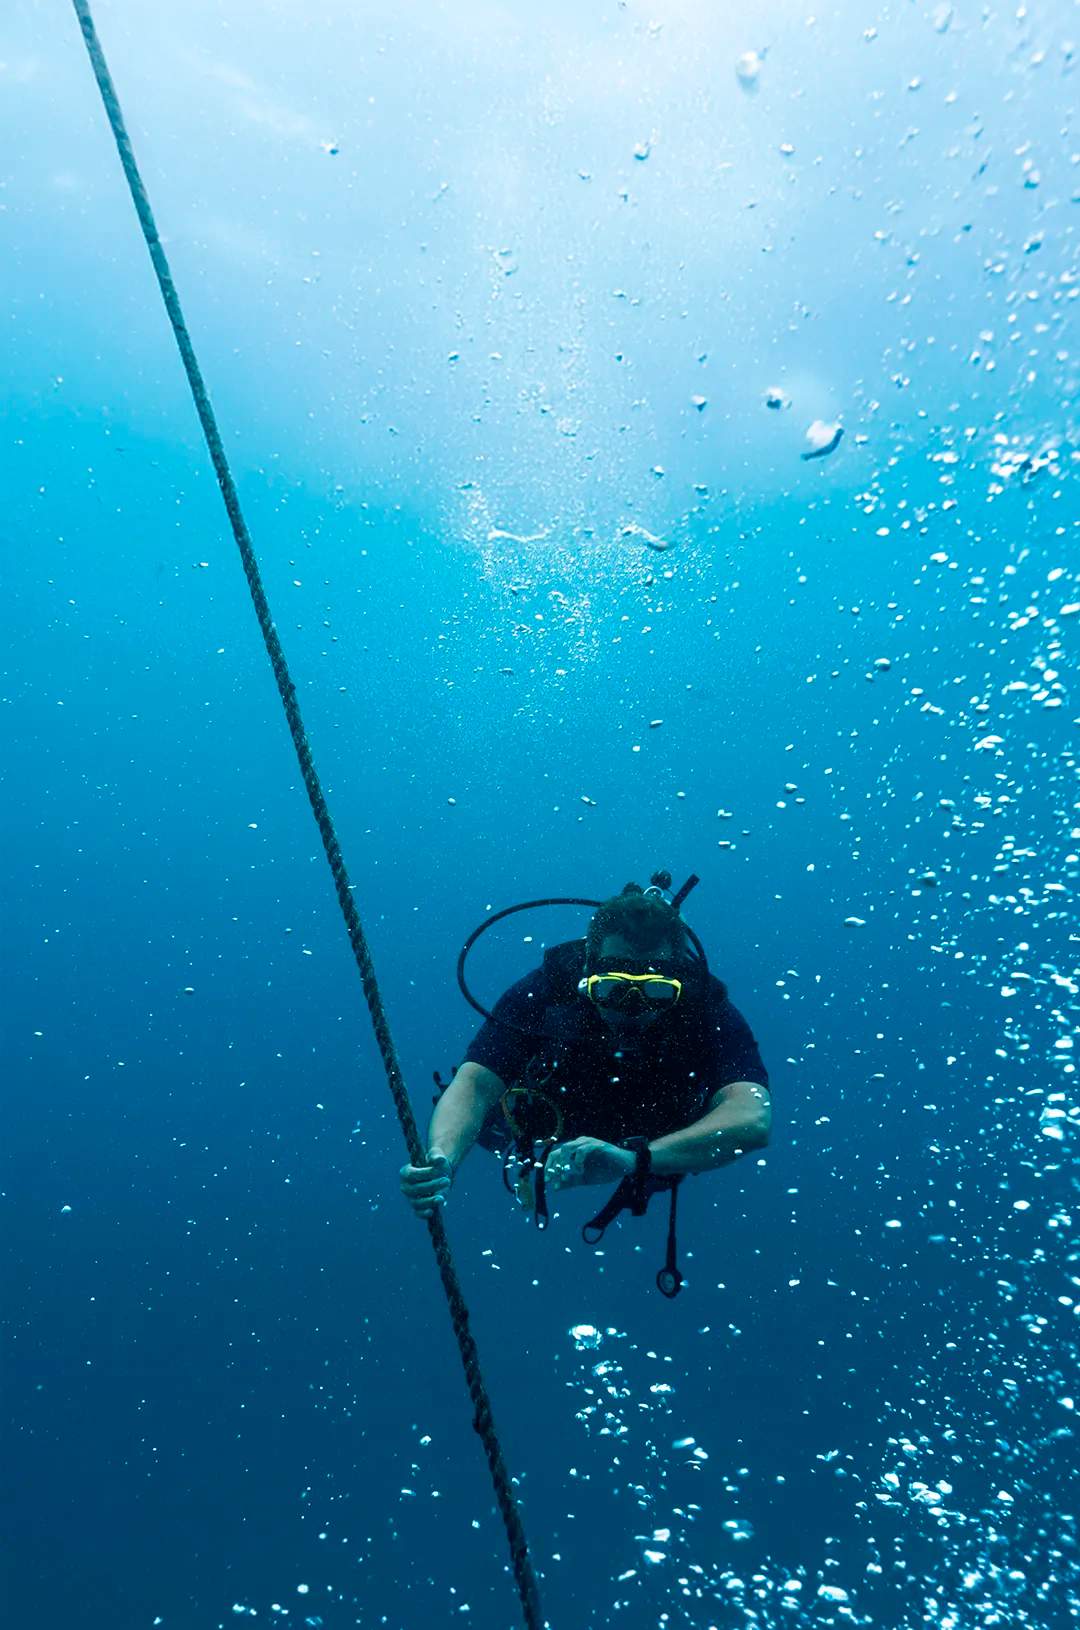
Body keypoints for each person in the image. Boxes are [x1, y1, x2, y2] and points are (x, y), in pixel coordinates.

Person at [400, 883, 772, 1273]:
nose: (632, 1009)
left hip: (653, 1146)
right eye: (611, 989)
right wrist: (442, 1157)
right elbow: (475, 1084)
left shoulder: (704, 1009)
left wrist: (634, 1160)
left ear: (678, 978)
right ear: (587, 968)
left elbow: (753, 1117)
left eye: (656, 992)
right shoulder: (548, 991)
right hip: (551, 1121)